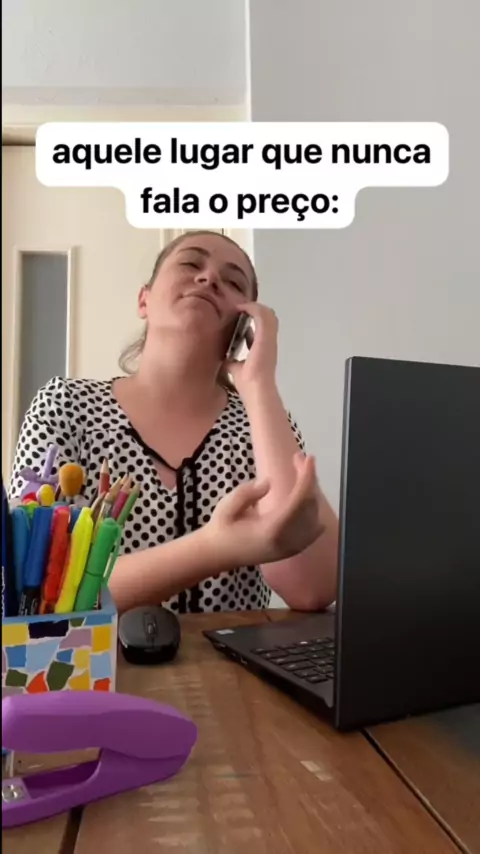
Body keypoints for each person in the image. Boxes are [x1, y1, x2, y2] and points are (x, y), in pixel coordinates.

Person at [10, 230, 339, 615]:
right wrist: (214, 548)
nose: (209, 278)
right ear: (144, 299)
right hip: (92, 656)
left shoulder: (263, 421)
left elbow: (311, 588)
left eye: (233, 282)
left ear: (243, 327)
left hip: (234, 658)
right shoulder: (65, 404)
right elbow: (32, 596)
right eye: (190, 263)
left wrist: (259, 384)